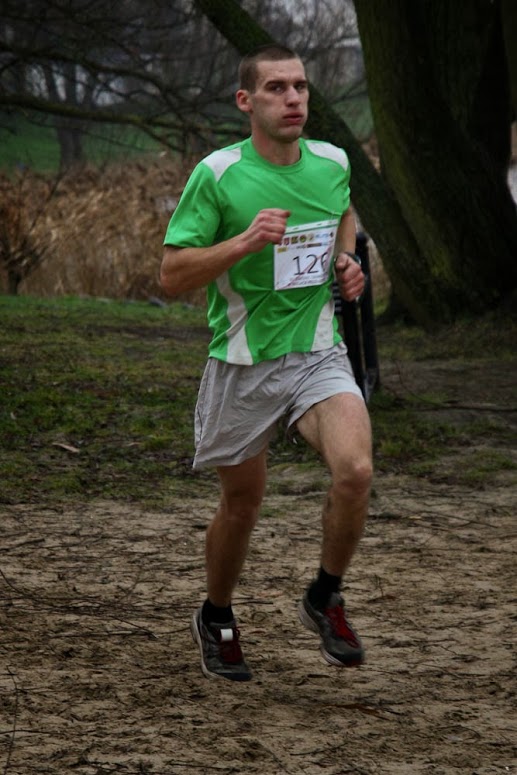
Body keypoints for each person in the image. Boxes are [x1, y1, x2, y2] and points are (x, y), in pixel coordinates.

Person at [160, 44, 372, 682]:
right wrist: (245, 241)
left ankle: (323, 596)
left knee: (355, 470)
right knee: (243, 505)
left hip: (316, 350)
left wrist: (345, 261)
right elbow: (172, 275)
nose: (294, 98)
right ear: (245, 101)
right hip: (243, 361)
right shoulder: (218, 174)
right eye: (277, 88)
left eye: (300, 86)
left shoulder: (332, 161)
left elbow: (343, 214)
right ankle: (217, 614)